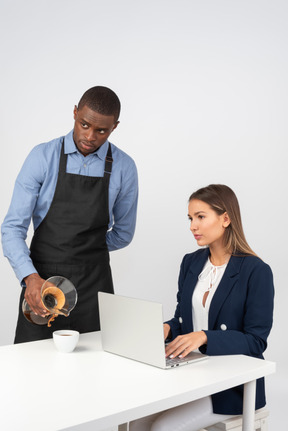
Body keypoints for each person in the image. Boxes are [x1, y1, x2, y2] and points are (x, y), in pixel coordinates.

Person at [130, 184, 274, 431]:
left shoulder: (256, 271)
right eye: (190, 218)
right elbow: (183, 320)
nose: (192, 226)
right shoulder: (191, 262)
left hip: (231, 385)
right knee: (134, 421)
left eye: (200, 217)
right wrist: (166, 328)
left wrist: (205, 337)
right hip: (190, 373)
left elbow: (256, 341)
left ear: (225, 219)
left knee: (163, 428)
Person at [1, 86, 138, 343]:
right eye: (84, 124)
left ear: (114, 127)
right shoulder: (42, 157)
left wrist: (87, 248)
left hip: (94, 287)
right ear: (75, 113)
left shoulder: (124, 167)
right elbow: (12, 228)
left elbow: (123, 233)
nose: (90, 136)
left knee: (96, 371)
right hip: (42, 284)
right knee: (33, 368)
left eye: (101, 130)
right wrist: (29, 278)